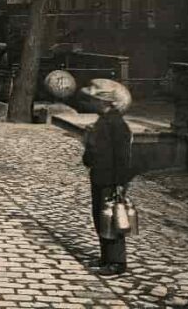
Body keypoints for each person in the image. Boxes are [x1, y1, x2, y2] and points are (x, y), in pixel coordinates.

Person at [81, 78, 133, 276]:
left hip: (111, 179)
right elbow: (94, 151)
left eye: (95, 99)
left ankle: (117, 262)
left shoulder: (117, 124)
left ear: (106, 102)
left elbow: (123, 158)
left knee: (113, 219)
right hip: (99, 176)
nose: (92, 103)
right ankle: (105, 257)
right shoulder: (102, 121)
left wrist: (121, 183)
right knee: (101, 217)